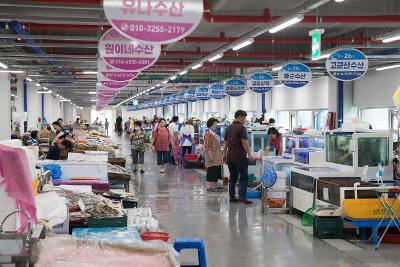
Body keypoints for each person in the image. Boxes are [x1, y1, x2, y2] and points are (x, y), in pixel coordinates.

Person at [223, 110, 253, 205]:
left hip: (230, 157)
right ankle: (242, 199)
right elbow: (244, 142)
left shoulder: (228, 128)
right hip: (240, 157)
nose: (245, 120)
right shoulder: (241, 128)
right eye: (244, 118)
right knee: (243, 178)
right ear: (240, 117)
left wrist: (224, 154)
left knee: (232, 178)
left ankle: (232, 198)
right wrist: (249, 153)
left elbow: (226, 143)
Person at [204, 118, 224, 192]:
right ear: (211, 125)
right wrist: (210, 156)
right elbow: (207, 146)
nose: (216, 125)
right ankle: (209, 186)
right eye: (215, 124)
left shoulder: (214, 133)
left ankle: (215, 185)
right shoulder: (208, 134)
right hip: (212, 155)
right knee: (211, 170)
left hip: (216, 155)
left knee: (216, 169)